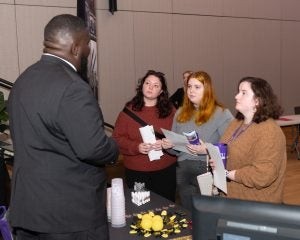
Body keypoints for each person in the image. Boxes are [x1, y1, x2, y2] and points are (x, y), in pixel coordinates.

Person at [7, 14, 119, 240]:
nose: (89, 51)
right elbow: (92, 148)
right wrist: (115, 149)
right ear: (76, 48)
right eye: (88, 45)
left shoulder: (22, 81)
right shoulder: (73, 88)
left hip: (28, 211)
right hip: (69, 216)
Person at [162, 71, 233, 211]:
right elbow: (175, 150)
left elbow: (230, 145)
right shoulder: (180, 112)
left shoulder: (221, 113)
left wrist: (206, 149)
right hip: (183, 171)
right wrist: (169, 145)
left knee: (208, 213)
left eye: (197, 87)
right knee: (188, 213)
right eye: (189, 86)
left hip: (206, 168)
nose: (191, 90)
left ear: (207, 89)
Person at [210, 77, 286, 203]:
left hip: (256, 204)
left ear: (257, 101)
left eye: (243, 93)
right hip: (232, 198)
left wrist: (229, 174)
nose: (236, 96)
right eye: (238, 91)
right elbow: (225, 149)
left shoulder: (269, 131)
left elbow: (263, 175)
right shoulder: (236, 122)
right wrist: (217, 161)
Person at [112, 70, 177, 202]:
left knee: (165, 208)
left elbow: (178, 136)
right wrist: (137, 147)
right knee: (141, 209)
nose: (150, 87)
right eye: (147, 83)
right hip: (137, 171)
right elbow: (117, 139)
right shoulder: (128, 111)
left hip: (165, 170)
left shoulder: (170, 111)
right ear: (141, 86)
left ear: (161, 91)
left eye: (156, 85)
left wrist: (167, 142)